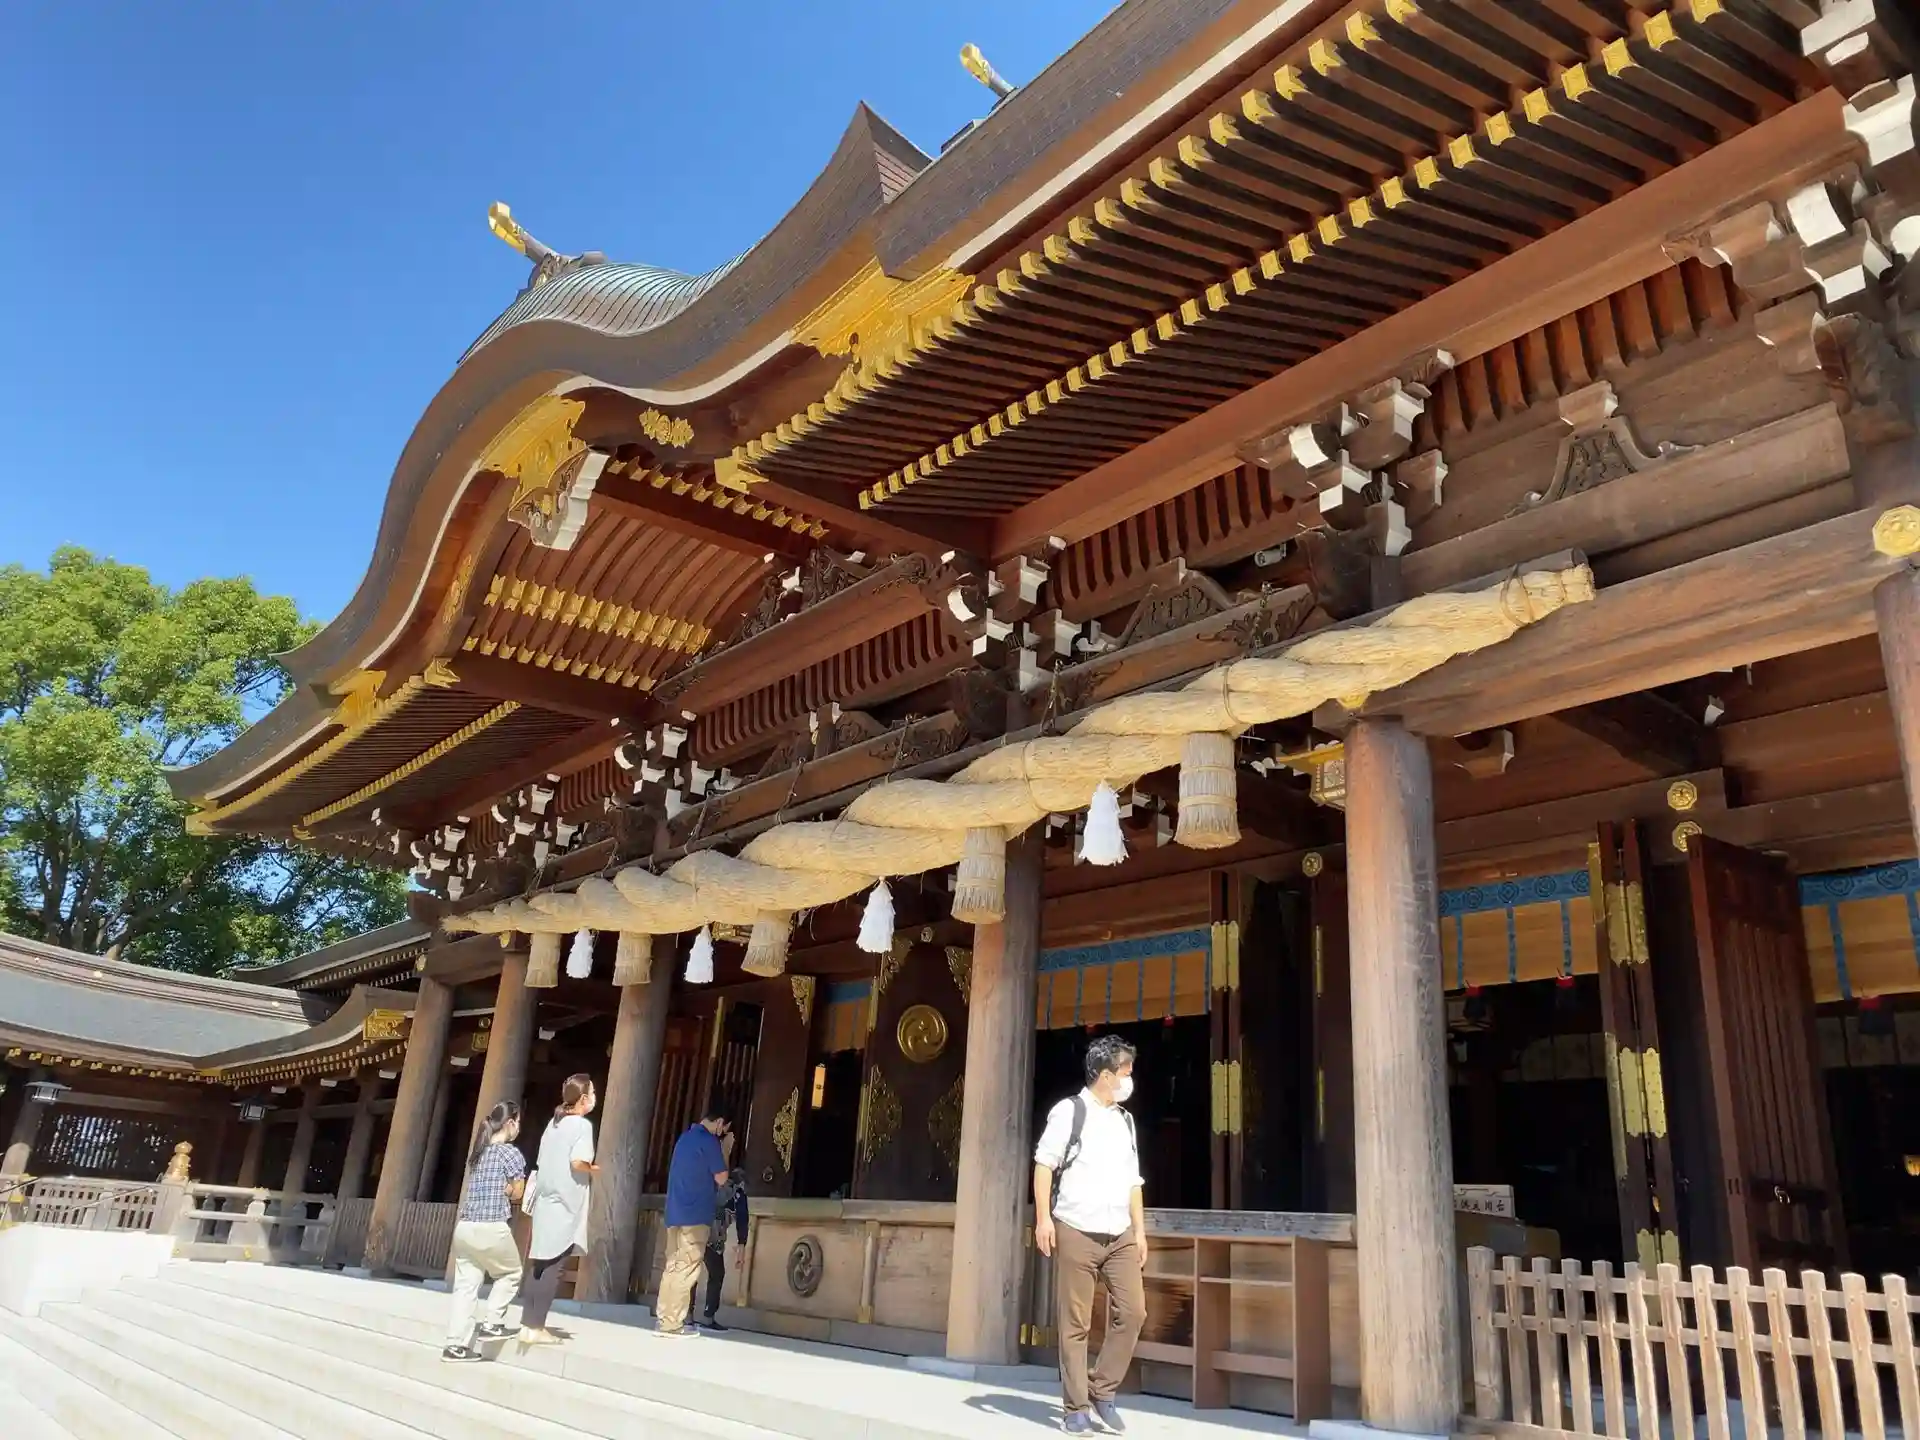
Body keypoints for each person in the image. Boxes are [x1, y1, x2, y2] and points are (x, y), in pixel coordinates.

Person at [1034, 1035, 1147, 1436]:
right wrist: (1044, 1220)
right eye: (1125, 1071)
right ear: (1104, 1075)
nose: (1129, 1078)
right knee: (1075, 1322)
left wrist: (1140, 1231)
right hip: (1076, 1228)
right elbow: (1044, 1165)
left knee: (1133, 1312)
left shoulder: (1125, 1120)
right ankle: (1075, 1407)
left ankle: (1102, 1388)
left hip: (1119, 1233)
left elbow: (1133, 1180)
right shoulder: (1070, 1112)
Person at [441, 1100, 526, 1362]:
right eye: (518, 1122)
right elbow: (518, 1192)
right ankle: (493, 1323)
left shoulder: (478, 1153)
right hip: (492, 1226)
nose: (519, 1128)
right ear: (510, 1123)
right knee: (510, 1273)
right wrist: (509, 1190)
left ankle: (455, 1345)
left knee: (466, 1287)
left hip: (465, 1228)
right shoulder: (510, 1153)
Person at [517, 1073, 598, 1345]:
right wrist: (594, 1168)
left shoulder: (553, 1124)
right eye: (592, 1093)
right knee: (555, 1265)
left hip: (545, 1200)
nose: (594, 1098)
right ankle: (536, 1326)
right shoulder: (582, 1126)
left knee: (539, 1264)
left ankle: (528, 1323)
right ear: (583, 1099)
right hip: (565, 1202)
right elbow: (577, 1162)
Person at [652, 1107, 732, 1337]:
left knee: (672, 1266)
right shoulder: (709, 1142)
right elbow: (722, 1178)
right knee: (687, 1268)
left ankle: (664, 1317)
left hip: (675, 1212)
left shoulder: (684, 1139)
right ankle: (673, 1324)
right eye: (724, 1128)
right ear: (719, 1122)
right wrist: (725, 1150)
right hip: (696, 1214)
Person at [698, 1163, 749, 1331]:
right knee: (717, 1274)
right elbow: (742, 1222)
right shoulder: (738, 1194)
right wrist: (741, 1249)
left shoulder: (716, 1186)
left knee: (691, 1272)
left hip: (697, 1230)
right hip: (714, 1238)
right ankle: (708, 1316)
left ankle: (686, 1315)